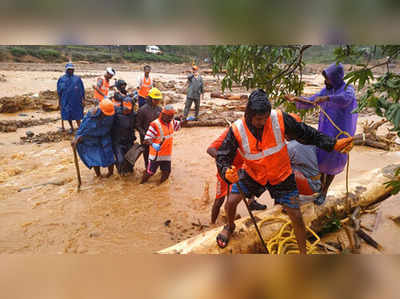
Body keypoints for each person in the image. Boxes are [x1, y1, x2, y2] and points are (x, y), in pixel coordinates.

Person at [215, 89, 354, 253]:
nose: (262, 122)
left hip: (281, 175)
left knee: (296, 215)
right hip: (253, 174)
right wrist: (225, 171)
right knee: (231, 202)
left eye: (265, 118)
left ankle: (303, 254)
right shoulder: (237, 129)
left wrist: (332, 144)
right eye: (258, 119)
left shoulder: (279, 118)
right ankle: (230, 226)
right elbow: (222, 155)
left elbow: (307, 133)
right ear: (249, 115)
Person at [285, 62, 358, 204]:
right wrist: (296, 99)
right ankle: (320, 188)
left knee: (333, 163)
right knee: (322, 160)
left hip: (340, 133)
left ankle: (324, 192)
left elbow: (345, 99)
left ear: (336, 78)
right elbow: (312, 100)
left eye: (328, 79)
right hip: (325, 131)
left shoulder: (348, 89)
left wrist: (327, 99)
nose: (326, 82)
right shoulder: (326, 90)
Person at [207, 128, 267, 224]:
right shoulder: (231, 133)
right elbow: (210, 149)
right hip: (226, 171)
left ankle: (251, 202)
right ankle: (212, 223)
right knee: (219, 200)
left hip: (241, 170)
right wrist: (224, 162)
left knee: (248, 184)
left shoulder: (256, 133)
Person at [140, 105, 185, 185]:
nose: (171, 118)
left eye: (172, 116)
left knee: (166, 172)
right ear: (163, 115)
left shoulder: (171, 122)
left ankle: (159, 186)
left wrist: (185, 120)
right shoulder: (155, 124)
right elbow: (146, 139)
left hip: (166, 155)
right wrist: (153, 144)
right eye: (169, 116)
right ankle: (141, 184)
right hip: (156, 155)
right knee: (150, 173)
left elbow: (179, 125)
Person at [71, 99, 115, 178]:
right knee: (94, 155)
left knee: (108, 153)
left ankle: (110, 173)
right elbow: (83, 126)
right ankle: (98, 175)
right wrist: (77, 137)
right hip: (92, 136)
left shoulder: (112, 111)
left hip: (105, 134)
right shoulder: (92, 113)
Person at [286, 113, 322, 199]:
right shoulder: (312, 139)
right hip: (319, 183)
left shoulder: (291, 147)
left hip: (310, 186)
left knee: (281, 172)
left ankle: (287, 201)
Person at [111, 80, 136, 176]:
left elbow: (137, 126)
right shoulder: (115, 113)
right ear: (122, 106)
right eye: (125, 109)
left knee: (130, 161)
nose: (127, 111)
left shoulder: (134, 115)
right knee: (120, 160)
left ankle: (128, 173)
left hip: (129, 140)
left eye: (128, 110)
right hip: (118, 141)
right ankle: (120, 173)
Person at [136, 87, 163, 169]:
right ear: (150, 99)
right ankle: (147, 169)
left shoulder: (159, 109)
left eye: (158, 99)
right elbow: (138, 125)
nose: (158, 101)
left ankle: (155, 168)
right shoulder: (142, 110)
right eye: (156, 99)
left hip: (157, 137)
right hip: (146, 137)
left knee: (158, 154)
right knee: (147, 155)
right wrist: (145, 135)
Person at [57, 63, 85, 133]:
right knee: (68, 115)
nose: (71, 71)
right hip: (66, 100)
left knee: (77, 115)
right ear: (66, 70)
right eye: (69, 69)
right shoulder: (61, 79)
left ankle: (80, 128)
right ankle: (71, 127)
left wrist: (83, 99)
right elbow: (59, 91)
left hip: (76, 100)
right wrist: (59, 101)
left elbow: (82, 90)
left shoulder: (77, 79)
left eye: (72, 69)